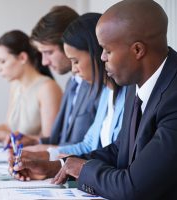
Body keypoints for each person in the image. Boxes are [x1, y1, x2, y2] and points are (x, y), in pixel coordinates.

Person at [12, 1, 177, 199]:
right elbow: (120, 151)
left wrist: (83, 169)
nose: (101, 58)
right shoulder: (138, 84)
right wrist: (59, 166)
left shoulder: (174, 97)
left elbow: (133, 188)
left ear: (137, 50)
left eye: (107, 50)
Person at [16, 13, 127, 161]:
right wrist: (46, 154)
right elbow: (87, 145)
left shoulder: (127, 94)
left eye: (75, 61)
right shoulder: (106, 91)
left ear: (96, 52)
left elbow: (113, 156)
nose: (74, 70)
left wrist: (56, 162)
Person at [5, 6, 99, 151]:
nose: (44, 62)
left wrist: (48, 151)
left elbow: (92, 147)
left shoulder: (98, 85)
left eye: (48, 52)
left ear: (69, 44)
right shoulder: (72, 83)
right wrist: (36, 141)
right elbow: (60, 140)